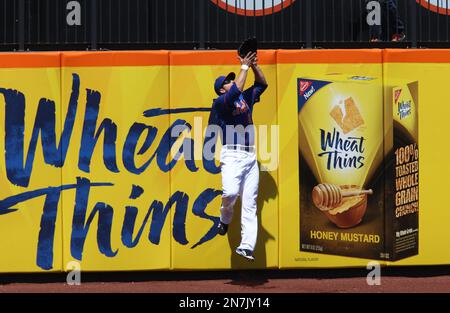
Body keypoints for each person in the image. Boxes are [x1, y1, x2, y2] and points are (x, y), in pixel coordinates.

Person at [210, 51, 268, 261]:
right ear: (220, 89)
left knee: (250, 203)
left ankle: (246, 246)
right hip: (232, 154)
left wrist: (253, 65)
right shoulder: (221, 103)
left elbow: (262, 84)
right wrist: (243, 67)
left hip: (250, 156)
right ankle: (225, 218)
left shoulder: (244, 97)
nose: (230, 81)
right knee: (231, 193)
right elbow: (235, 92)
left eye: (230, 79)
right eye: (226, 81)